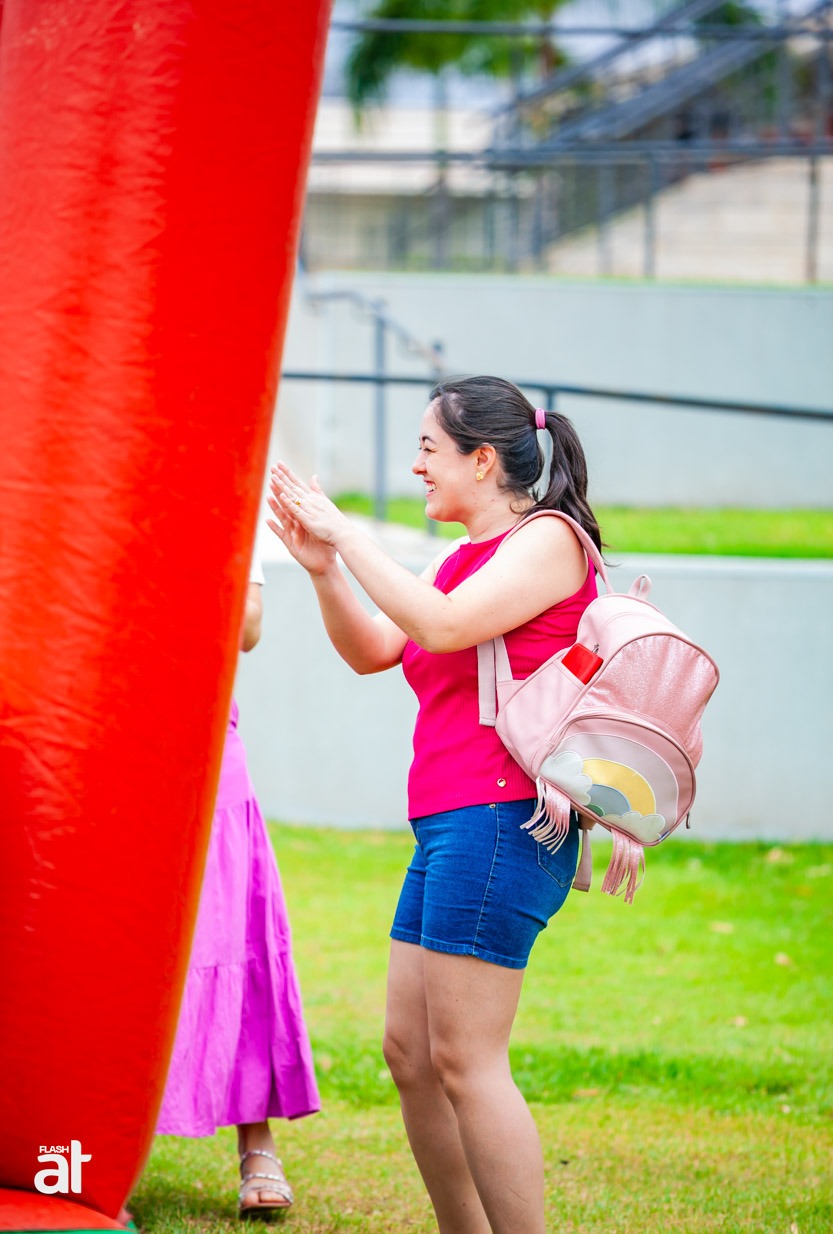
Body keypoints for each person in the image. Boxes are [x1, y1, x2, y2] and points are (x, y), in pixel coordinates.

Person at [267, 375, 603, 1234]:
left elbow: (443, 628)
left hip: (502, 820)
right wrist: (324, 567)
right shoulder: (457, 560)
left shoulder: (548, 541)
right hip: (452, 822)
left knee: (465, 1059)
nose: (416, 466)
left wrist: (347, 531)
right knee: (412, 1054)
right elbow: (376, 648)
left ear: (482, 459)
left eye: (428, 448)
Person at [156, 543, 319, 1220]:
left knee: (233, 935)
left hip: (202, 736)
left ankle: (257, 1143)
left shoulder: (224, 503)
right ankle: (79, 1147)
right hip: (101, 733)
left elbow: (247, 627)